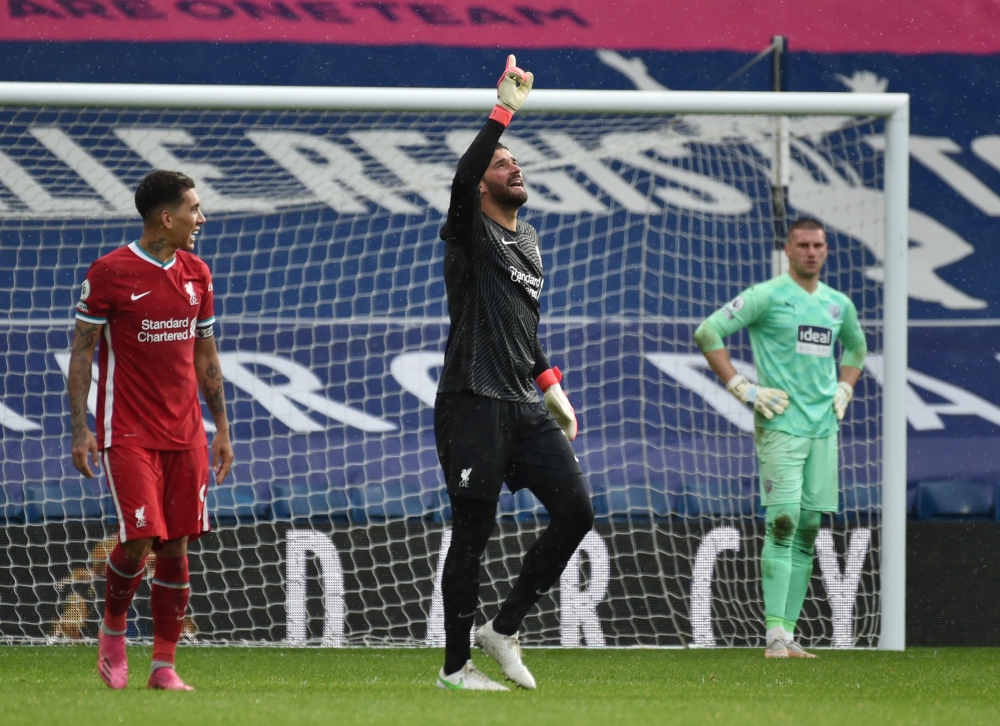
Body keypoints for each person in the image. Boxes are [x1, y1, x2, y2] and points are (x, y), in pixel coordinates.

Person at [434, 55, 594, 691]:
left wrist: (550, 386)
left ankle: (502, 630)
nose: (514, 167)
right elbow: (463, 174)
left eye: (516, 161)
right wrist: (502, 112)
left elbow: (523, 327)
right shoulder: (467, 231)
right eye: (502, 164)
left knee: (576, 511)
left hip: (522, 402)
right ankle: (454, 670)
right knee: (473, 535)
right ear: (480, 187)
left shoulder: (527, 240)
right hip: (471, 400)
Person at [68, 170, 233, 691]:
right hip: (128, 431)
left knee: (176, 547)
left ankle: (164, 666)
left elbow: (206, 354)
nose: (201, 218)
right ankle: (114, 629)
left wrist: (221, 427)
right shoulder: (110, 272)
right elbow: (82, 352)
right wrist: (80, 427)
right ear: (166, 217)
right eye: (194, 209)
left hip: (186, 433)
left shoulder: (197, 273)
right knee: (139, 539)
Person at [694, 218, 866, 658]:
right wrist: (741, 387)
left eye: (818, 245)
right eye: (803, 245)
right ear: (787, 250)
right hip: (781, 424)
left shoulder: (838, 304)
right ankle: (773, 635)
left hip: (823, 428)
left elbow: (857, 347)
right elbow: (708, 331)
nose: (811, 252)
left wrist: (845, 387)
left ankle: (787, 635)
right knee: (784, 519)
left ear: (826, 250)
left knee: (808, 527)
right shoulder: (767, 296)